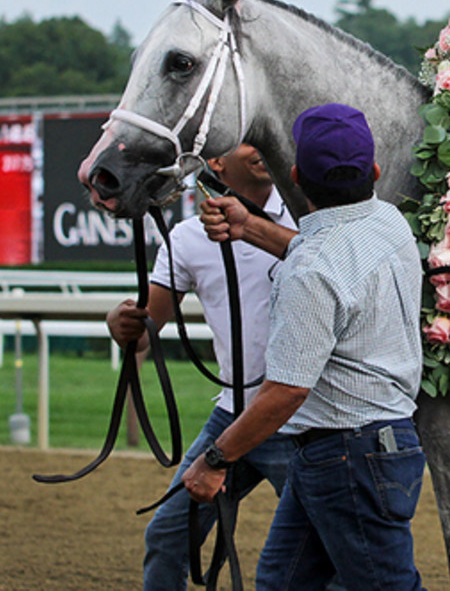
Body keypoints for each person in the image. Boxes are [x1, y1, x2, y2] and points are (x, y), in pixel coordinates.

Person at [184, 103, 427, 591]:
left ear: (294, 176)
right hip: (368, 447)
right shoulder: (389, 222)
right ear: (374, 171)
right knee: (279, 582)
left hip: (343, 454)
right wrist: (249, 225)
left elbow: (286, 391)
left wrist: (215, 460)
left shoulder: (312, 268)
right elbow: (328, 255)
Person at [106, 143, 298, 591]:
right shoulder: (188, 238)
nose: (260, 148)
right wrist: (121, 322)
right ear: (215, 161)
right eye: (246, 141)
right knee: (168, 535)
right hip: (231, 415)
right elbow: (147, 324)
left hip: (299, 420)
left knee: (319, 553)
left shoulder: (306, 220)